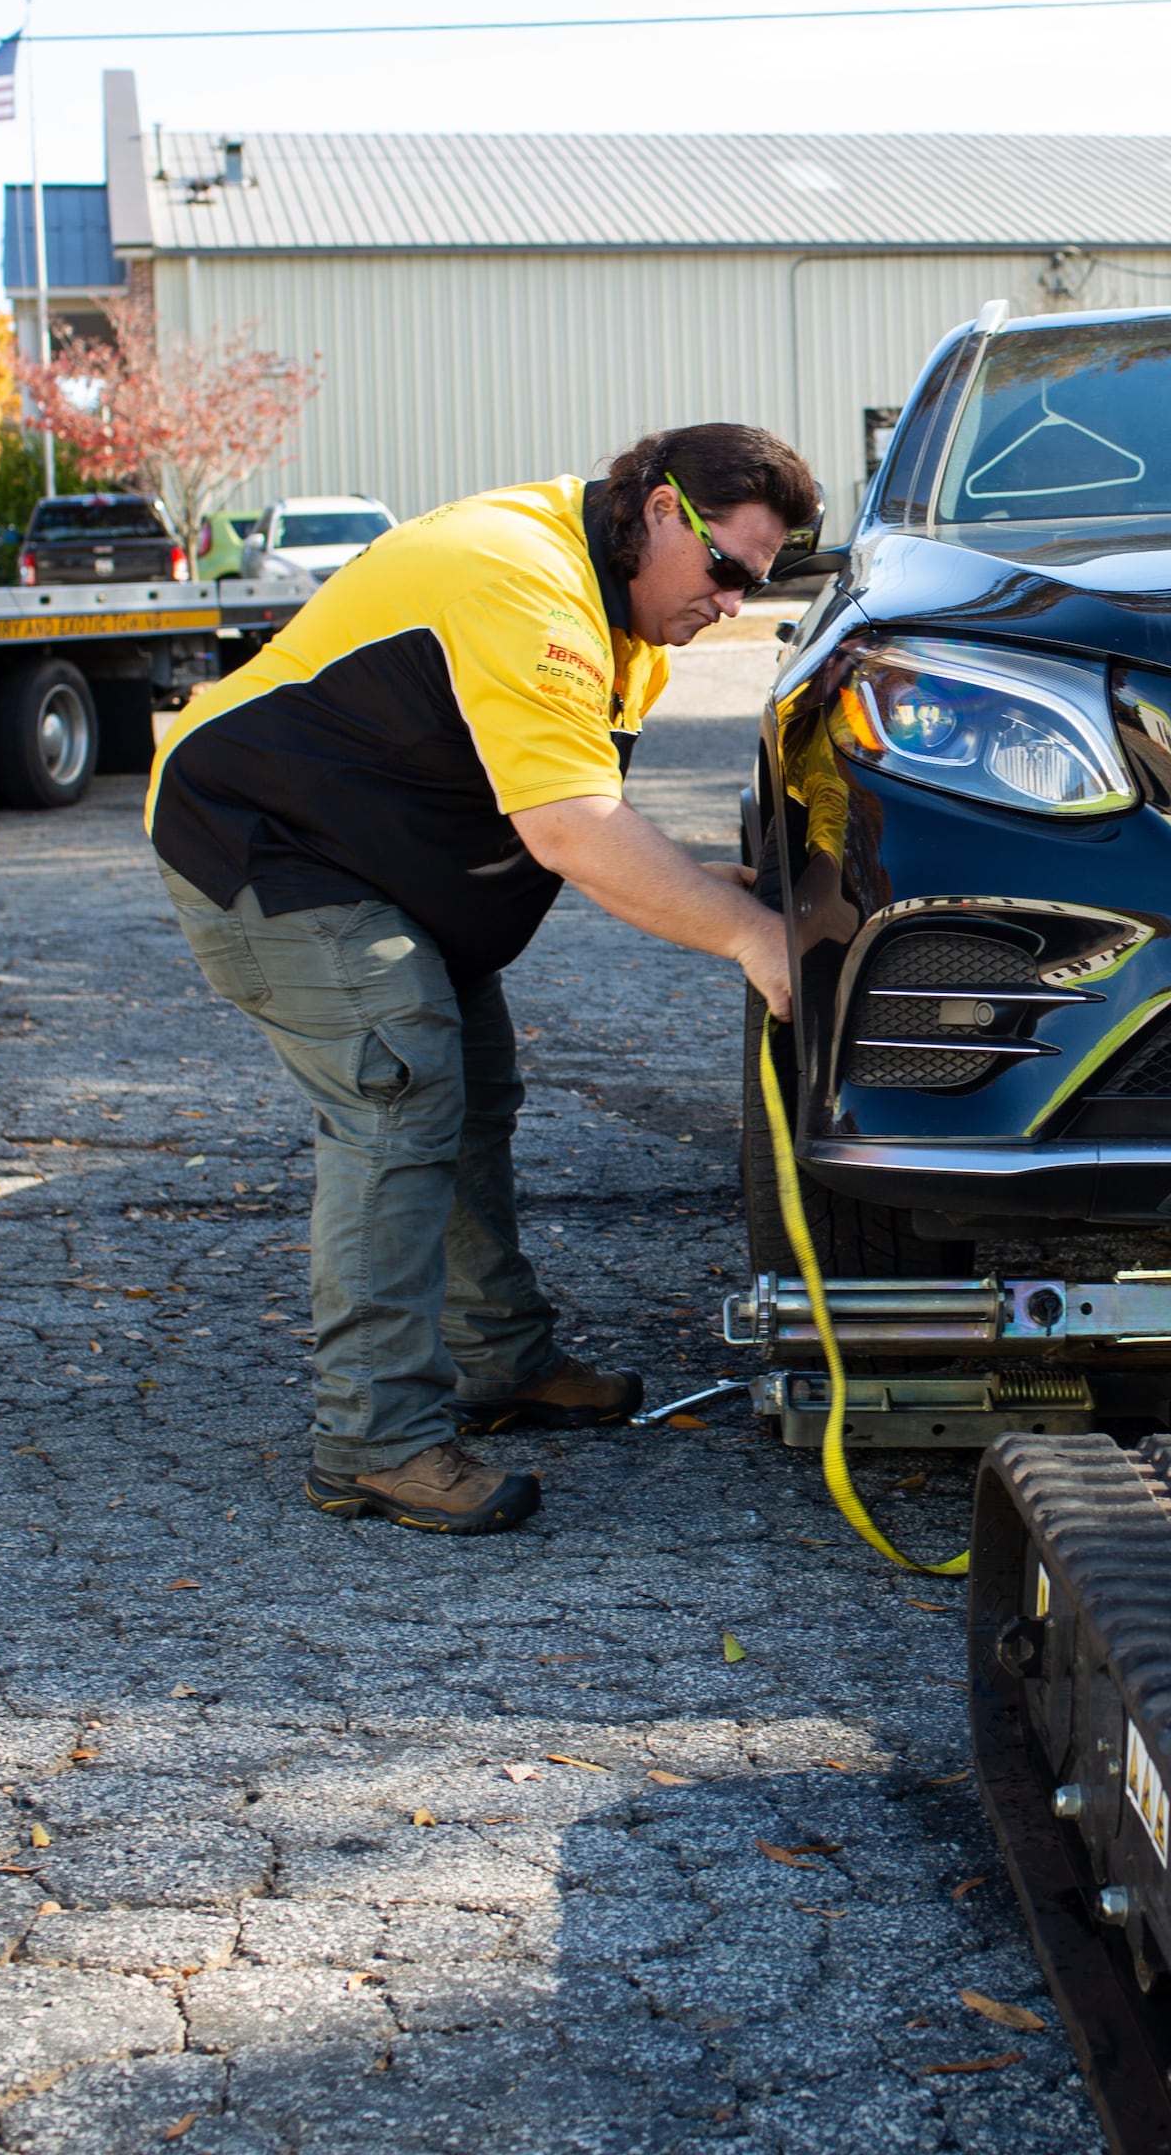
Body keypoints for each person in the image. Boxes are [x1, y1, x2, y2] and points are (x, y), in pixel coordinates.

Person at [147, 423, 811, 1536]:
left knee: (473, 1092)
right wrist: (749, 933)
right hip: (265, 842)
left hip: (371, 857)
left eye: (760, 580)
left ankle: (498, 1363)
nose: (736, 602)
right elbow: (574, 831)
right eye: (729, 570)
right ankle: (374, 1442)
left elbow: (546, 793)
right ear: (660, 511)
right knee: (399, 1091)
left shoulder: (624, 607)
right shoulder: (530, 584)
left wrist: (704, 882)